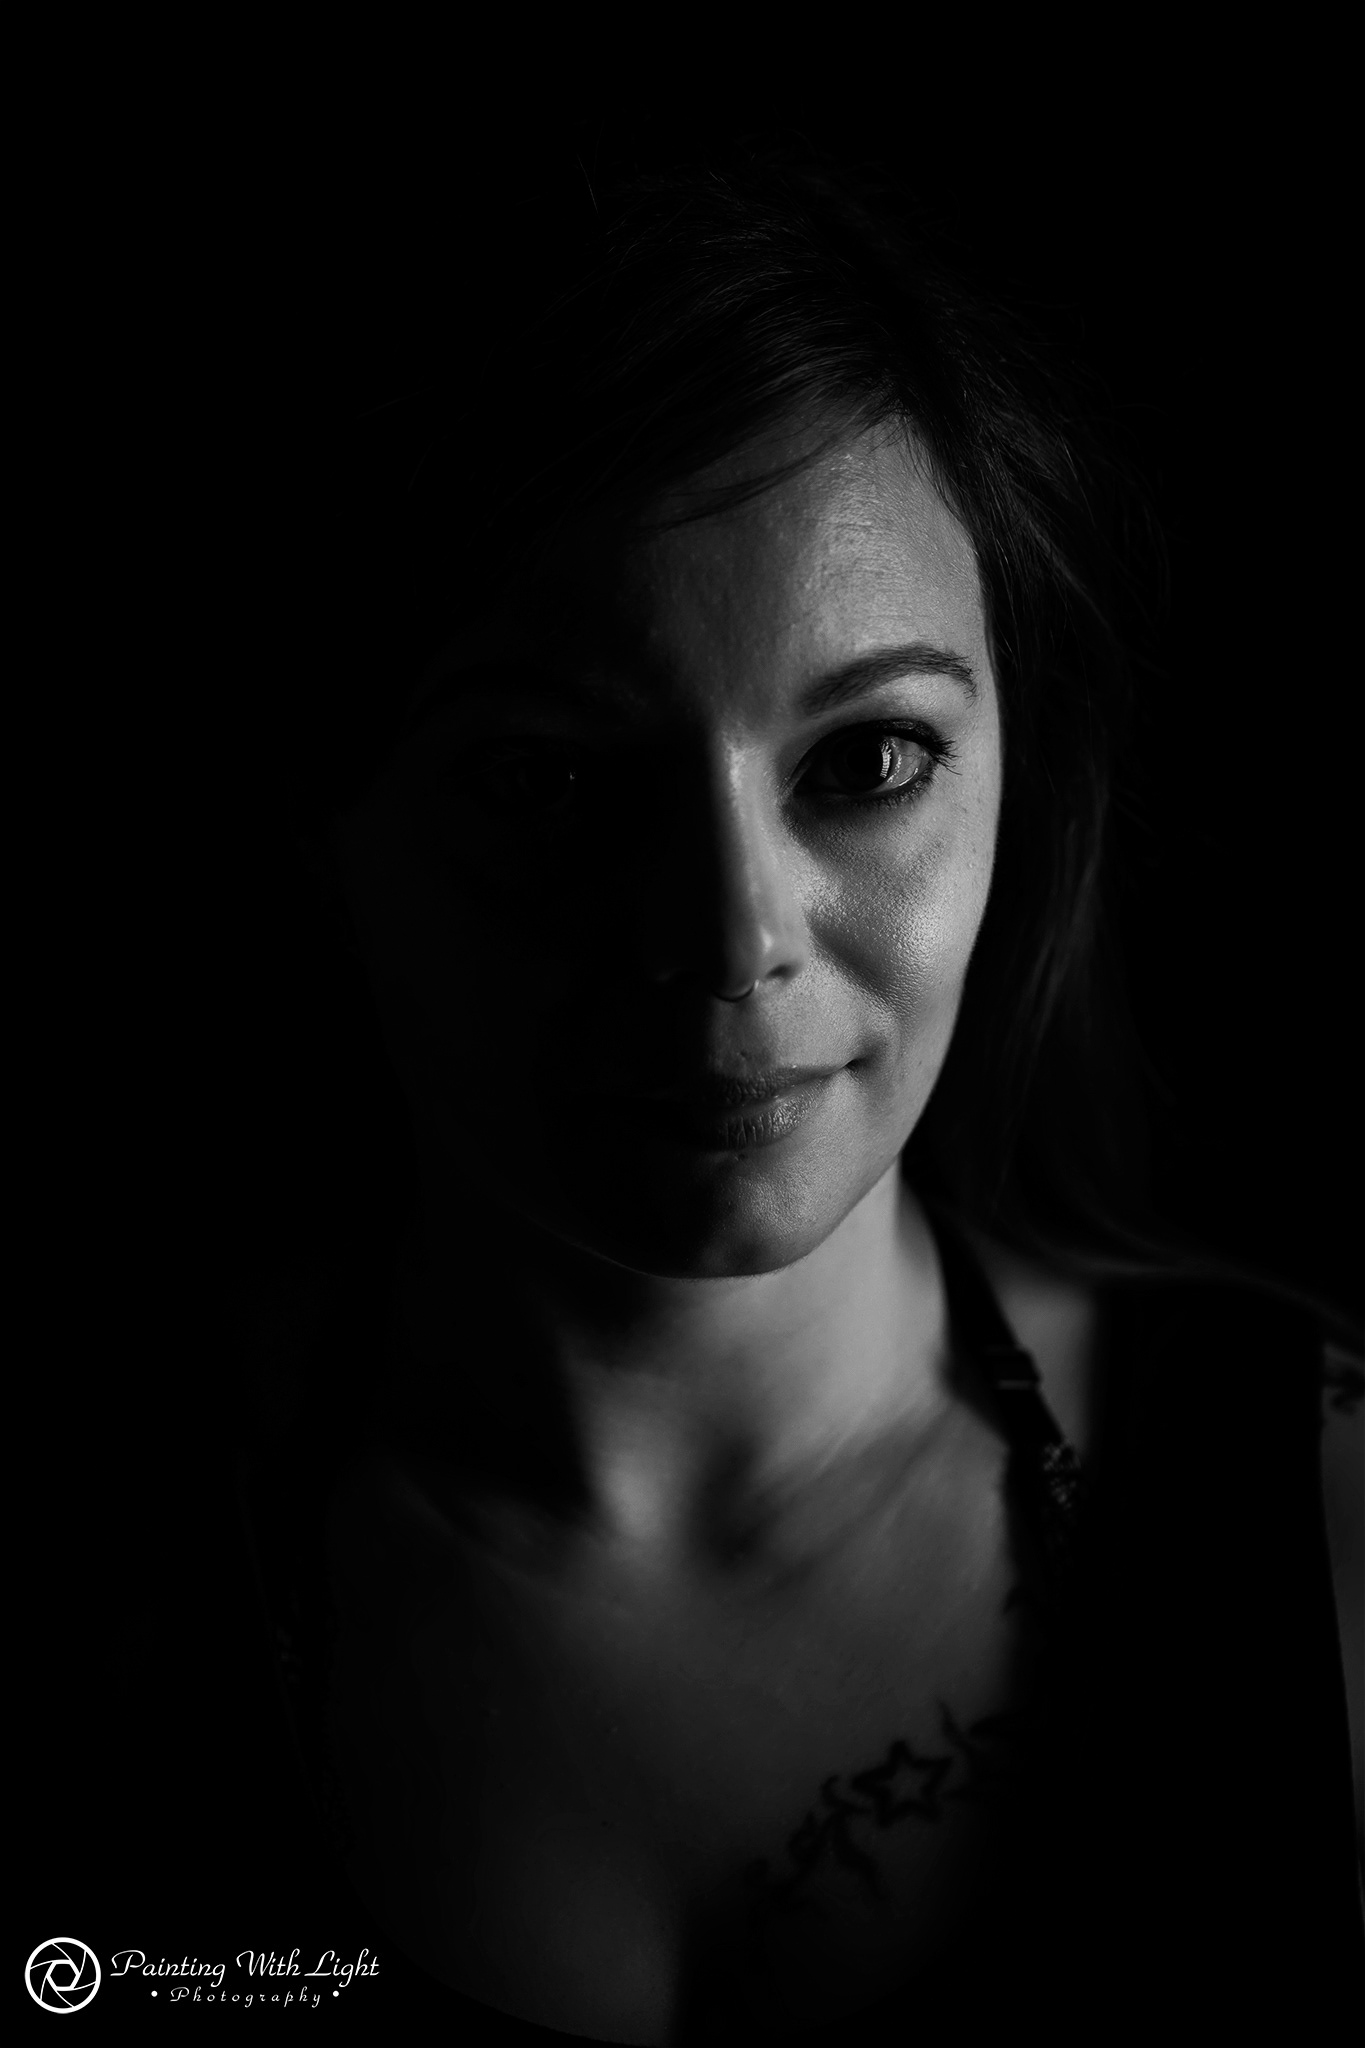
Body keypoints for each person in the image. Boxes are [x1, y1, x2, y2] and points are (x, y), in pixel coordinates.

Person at [232, 149, 1363, 2042]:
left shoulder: (1324, 1529)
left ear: (1016, 777)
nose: (730, 939)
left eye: (869, 759)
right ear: (316, 820)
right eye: (547, 785)